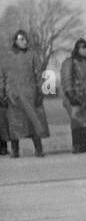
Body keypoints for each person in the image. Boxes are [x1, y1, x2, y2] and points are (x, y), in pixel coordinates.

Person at [1, 29, 49, 157]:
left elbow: (39, 74)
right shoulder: (6, 57)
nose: (25, 41)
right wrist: (2, 95)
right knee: (14, 124)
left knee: (33, 122)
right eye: (22, 39)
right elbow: (2, 77)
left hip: (30, 95)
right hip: (13, 97)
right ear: (15, 41)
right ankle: (15, 150)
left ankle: (39, 149)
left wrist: (40, 92)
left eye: (26, 39)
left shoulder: (32, 55)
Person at [60, 38, 86, 153]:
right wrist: (70, 94)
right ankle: (77, 146)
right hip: (76, 96)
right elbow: (66, 79)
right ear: (77, 49)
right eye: (82, 48)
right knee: (77, 122)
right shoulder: (70, 62)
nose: (85, 50)